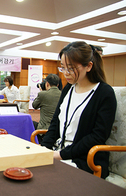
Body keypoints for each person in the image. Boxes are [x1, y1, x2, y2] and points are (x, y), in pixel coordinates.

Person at [41, 41, 117, 179]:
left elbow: (98, 136)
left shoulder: (104, 93)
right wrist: (44, 148)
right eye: (63, 68)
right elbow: (55, 123)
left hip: (86, 159)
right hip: (59, 151)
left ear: (88, 66)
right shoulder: (68, 89)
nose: (65, 73)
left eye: (70, 68)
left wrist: (61, 155)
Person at [32, 74, 61, 143]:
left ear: (47, 83)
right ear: (57, 85)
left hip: (45, 128)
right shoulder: (63, 94)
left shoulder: (43, 94)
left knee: (30, 122)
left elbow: (34, 105)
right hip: (58, 128)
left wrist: (41, 92)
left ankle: (37, 143)